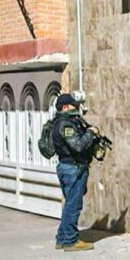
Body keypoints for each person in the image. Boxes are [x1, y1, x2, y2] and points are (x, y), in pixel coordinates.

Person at [52, 93, 99, 252]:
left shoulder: (60, 121)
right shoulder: (65, 125)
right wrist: (90, 133)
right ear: (65, 107)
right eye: (74, 105)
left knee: (69, 204)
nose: (77, 108)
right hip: (73, 168)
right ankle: (70, 240)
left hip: (67, 167)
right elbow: (78, 145)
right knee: (73, 206)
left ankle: (62, 238)